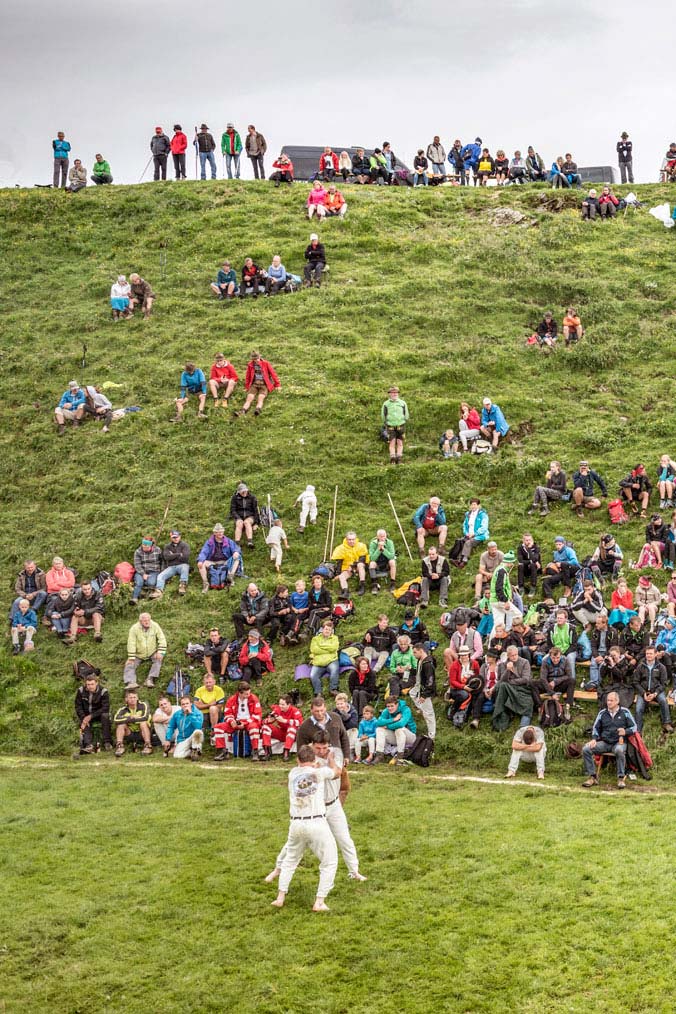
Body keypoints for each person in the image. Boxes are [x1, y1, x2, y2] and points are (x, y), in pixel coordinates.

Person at [270, 743, 340, 912]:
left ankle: (280, 897)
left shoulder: (292, 774)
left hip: (296, 823)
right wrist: (330, 759)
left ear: (297, 760)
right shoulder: (319, 773)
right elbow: (337, 772)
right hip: (316, 822)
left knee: (290, 860)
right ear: (314, 759)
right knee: (330, 861)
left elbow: (305, 768)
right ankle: (319, 901)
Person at [582, 690, 637, 788]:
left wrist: (625, 731)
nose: (609, 703)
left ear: (617, 701)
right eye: (608, 700)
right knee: (586, 748)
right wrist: (594, 739)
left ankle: (620, 778)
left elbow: (634, 727)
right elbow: (595, 728)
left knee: (619, 750)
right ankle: (592, 777)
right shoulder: (602, 713)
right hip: (605, 742)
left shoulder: (625, 712)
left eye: (611, 700)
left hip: (619, 742)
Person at [214, 681, 264, 760]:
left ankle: (255, 752)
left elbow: (257, 715)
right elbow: (227, 713)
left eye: (249, 693)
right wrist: (231, 721)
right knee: (218, 727)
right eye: (246, 694)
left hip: (249, 722)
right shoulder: (232, 699)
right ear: (240, 693)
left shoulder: (254, 698)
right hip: (235, 722)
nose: (248, 695)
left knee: (254, 728)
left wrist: (245, 723)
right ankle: (222, 751)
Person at [634, 645, 672, 734]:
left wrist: (655, 693)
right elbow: (635, 682)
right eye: (647, 654)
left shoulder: (661, 667)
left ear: (655, 654)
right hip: (643, 691)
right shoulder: (640, 666)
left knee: (663, 700)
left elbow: (664, 683)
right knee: (638, 708)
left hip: (657, 691)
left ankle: (666, 722)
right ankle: (638, 729)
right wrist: (643, 693)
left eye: (651, 654)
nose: (648, 656)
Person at [123, 612, 167, 689]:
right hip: (138, 654)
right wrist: (131, 657)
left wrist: (160, 652)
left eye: (148, 620)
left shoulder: (155, 625)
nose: (147, 622)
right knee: (129, 664)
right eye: (145, 621)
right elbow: (131, 643)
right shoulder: (134, 628)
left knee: (158, 660)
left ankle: (150, 679)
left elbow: (162, 638)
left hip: (152, 652)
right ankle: (131, 682)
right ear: (140, 621)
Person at [372, 696, 417, 765]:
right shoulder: (386, 711)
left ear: (397, 704)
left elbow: (401, 724)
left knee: (399, 729)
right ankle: (379, 755)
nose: (390, 708)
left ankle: (400, 757)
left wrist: (387, 726)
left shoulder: (405, 709)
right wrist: (393, 719)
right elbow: (378, 722)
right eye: (388, 706)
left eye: (392, 706)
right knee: (379, 729)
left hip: (410, 737)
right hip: (397, 737)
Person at [197, 523, 241, 591]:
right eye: (217, 532)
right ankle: (205, 583)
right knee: (201, 564)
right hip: (213, 562)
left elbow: (236, 548)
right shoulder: (209, 542)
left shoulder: (228, 541)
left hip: (225, 561)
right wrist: (200, 560)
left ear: (223, 532)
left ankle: (230, 576)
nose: (220, 533)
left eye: (221, 532)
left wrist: (236, 551)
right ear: (214, 533)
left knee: (237, 557)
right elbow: (203, 552)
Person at [236, 352, 281, 416]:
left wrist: (277, 385)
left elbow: (273, 374)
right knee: (249, 397)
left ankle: (258, 409)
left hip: (264, 384)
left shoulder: (266, 363)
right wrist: (246, 387)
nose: (256, 361)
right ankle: (243, 410)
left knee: (261, 397)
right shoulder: (250, 365)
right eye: (254, 359)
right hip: (254, 384)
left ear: (259, 357)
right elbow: (248, 376)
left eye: (257, 359)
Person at [536, 646, 575, 721]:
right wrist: (551, 693)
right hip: (548, 685)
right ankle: (540, 708)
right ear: (550, 656)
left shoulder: (565, 660)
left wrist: (555, 681)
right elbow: (543, 678)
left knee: (572, 680)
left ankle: (567, 706)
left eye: (557, 657)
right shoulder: (545, 661)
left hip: (560, 684)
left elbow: (569, 675)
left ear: (560, 655)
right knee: (532, 683)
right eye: (553, 658)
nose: (555, 660)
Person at [75, 675, 112, 753]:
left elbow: (105, 708)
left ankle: (107, 742)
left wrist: (91, 716)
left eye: (92, 684)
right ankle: (89, 745)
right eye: (88, 684)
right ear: (85, 684)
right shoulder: (81, 690)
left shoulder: (103, 691)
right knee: (84, 722)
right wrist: (83, 717)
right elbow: (78, 706)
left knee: (105, 715)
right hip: (85, 714)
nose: (90, 686)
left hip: (98, 714)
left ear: (96, 683)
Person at [451, 496, 490, 568]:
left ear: (478, 505)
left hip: (480, 535)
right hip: (469, 535)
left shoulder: (483, 515)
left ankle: (464, 561)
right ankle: (458, 560)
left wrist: (474, 534)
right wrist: (466, 533)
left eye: (475, 504)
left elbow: (484, 527)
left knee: (468, 543)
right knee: (461, 541)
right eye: (472, 504)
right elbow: (464, 526)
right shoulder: (468, 514)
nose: (473, 506)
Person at [261, 694, 303, 760]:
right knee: (266, 727)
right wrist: (268, 720)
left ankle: (286, 752)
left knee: (292, 728)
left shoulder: (295, 711)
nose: (280, 706)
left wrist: (285, 721)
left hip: (292, 734)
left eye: (283, 704)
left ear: (289, 705)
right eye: (279, 704)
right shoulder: (277, 709)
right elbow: (263, 722)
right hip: (281, 733)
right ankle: (267, 752)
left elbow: (300, 723)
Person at [113, 689, 153, 756]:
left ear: (137, 698)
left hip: (142, 732)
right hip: (129, 733)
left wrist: (127, 719)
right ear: (126, 699)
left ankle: (148, 745)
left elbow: (145, 717)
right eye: (130, 698)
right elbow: (116, 720)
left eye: (134, 697)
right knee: (121, 725)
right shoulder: (123, 709)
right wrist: (130, 717)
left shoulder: (143, 705)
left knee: (143, 723)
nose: (133, 699)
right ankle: (119, 746)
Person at [410, 642, 437, 739]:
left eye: (415, 652)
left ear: (421, 651)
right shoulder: (421, 660)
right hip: (419, 687)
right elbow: (419, 673)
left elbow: (430, 681)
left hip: (425, 690)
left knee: (429, 714)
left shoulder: (427, 664)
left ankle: (432, 735)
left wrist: (425, 695)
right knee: (411, 693)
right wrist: (410, 669)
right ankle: (421, 708)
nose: (414, 654)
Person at [164, 696, 204, 760]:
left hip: (193, 737)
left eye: (187, 703)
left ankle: (196, 749)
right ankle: (191, 752)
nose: (185, 705)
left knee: (198, 732)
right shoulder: (177, 714)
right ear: (181, 705)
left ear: (191, 703)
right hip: (182, 739)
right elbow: (171, 727)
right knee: (177, 756)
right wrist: (167, 739)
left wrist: (191, 714)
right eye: (183, 704)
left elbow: (198, 726)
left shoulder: (198, 713)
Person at [587, 615, 621, 689]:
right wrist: (596, 656)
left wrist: (603, 657)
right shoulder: (595, 631)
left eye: (598, 623)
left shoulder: (613, 632)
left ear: (604, 623)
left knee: (602, 664)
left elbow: (612, 648)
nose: (596, 625)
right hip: (597, 653)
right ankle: (594, 683)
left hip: (608, 653)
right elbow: (593, 646)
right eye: (596, 623)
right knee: (593, 664)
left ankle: (598, 683)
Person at [65, 580, 104, 644]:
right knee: (75, 616)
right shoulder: (78, 595)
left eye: (88, 589)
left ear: (91, 587)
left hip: (96, 618)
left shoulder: (98, 594)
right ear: (81, 589)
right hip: (84, 619)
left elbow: (100, 607)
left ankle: (97, 634)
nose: (87, 591)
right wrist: (75, 610)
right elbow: (75, 605)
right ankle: (73, 637)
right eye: (85, 589)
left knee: (96, 614)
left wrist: (85, 611)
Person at [489, 551, 520, 631]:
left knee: (498, 625)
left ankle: (491, 643)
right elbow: (499, 588)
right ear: (508, 562)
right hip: (500, 600)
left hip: (494, 600)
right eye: (512, 562)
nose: (512, 565)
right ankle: (515, 636)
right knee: (518, 616)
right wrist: (505, 601)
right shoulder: (502, 571)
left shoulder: (499, 569)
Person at [542, 536, 580, 602]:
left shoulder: (569, 550)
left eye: (560, 544)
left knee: (564, 564)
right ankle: (549, 599)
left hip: (573, 569)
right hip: (563, 572)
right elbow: (556, 562)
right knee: (546, 581)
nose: (558, 546)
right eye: (556, 544)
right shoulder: (556, 553)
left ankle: (568, 587)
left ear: (563, 544)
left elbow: (575, 562)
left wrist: (561, 563)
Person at [332, 531, 369, 595]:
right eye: (349, 539)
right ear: (346, 539)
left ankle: (362, 586)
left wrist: (353, 566)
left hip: (359, 567)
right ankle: (345, 591)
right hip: (347, 568)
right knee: (341, 577)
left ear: (356, 539)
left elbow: (362, 559)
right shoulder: (340, 548)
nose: (351, 541)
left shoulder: (361, 546)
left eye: (353, 539)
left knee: (360, 565)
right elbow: (339, 563)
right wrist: (338, 574)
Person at [155, 529, 190, 597]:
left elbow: (185, 558)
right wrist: (179, 554)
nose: (175, 538)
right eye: (174, 537)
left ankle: (182, 585)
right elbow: (166, 557)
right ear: (171, 537)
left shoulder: (185, 545)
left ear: (180, 536)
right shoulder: (167, 546)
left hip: (182, 565)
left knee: (185, 567)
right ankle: (159, 590)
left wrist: (172, 555)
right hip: (171, 566)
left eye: (177, 537)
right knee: (160, 576)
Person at [309, 621, 341, 695]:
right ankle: (318, 693)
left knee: (334, 670)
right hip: (318, 662)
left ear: (331, 631)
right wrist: (328, 649)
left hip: (331, 660)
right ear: (322, 629)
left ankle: (333, 689)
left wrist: (321, 646)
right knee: (313, 675)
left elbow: (334, 648)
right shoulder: (315, 639)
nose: (327, 631)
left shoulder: (335, 638)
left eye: (329, 630)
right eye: (326, 629)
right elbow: (314, 650)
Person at [130, 536, 162, 603]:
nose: (144, 548)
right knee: (139, 582)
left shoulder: (158, 550)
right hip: (141, 571)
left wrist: (162, 571)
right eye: (143, 546)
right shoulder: (138, 551)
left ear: (151, 545)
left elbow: (163, 561)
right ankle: (134, 598)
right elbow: (137, 565)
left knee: (151, 583)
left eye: (146, 547)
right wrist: (143, 574)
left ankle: (144, 593)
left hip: (154, 571)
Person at [381, 385, 408, 465]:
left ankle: (399, 458)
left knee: (400, 442)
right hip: (390, 426)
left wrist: (404, 420)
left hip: (401, 425)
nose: (394, 394)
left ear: (398, 393)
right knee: (392, 442)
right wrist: (386, 422)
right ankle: (392, 458)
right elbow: (383, 415)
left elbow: (406, 414)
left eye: (396, 392)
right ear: (389, 394)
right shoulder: (386, 404)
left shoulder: (402, 403)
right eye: (392, 393)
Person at [230, 482, 261, 547]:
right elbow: (233, 510)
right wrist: (238, 518)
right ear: (238, 492)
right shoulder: (234, 498)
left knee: (247, 522)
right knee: (239, 524)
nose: (244, 493)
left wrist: (256, 523)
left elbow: (256, 510)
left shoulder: (252, 497)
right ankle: (237, 543)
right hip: (239, 516)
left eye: (245, 491)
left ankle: (250, 541)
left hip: (250, 516)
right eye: (242, 492)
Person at [516, 533, 541, 597]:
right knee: (520, 565)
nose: (528, 542)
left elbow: (535, 558)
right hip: (525, 569)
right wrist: (530, 561)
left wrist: (529, 549)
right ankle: (521, 587)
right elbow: (520, 560)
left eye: (529, 540)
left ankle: (533, 587)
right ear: (523, 541)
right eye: (526, 540)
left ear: (532, 540)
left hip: (535, 569)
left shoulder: (536, 547)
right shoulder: (520, 548)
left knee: (533, 565)